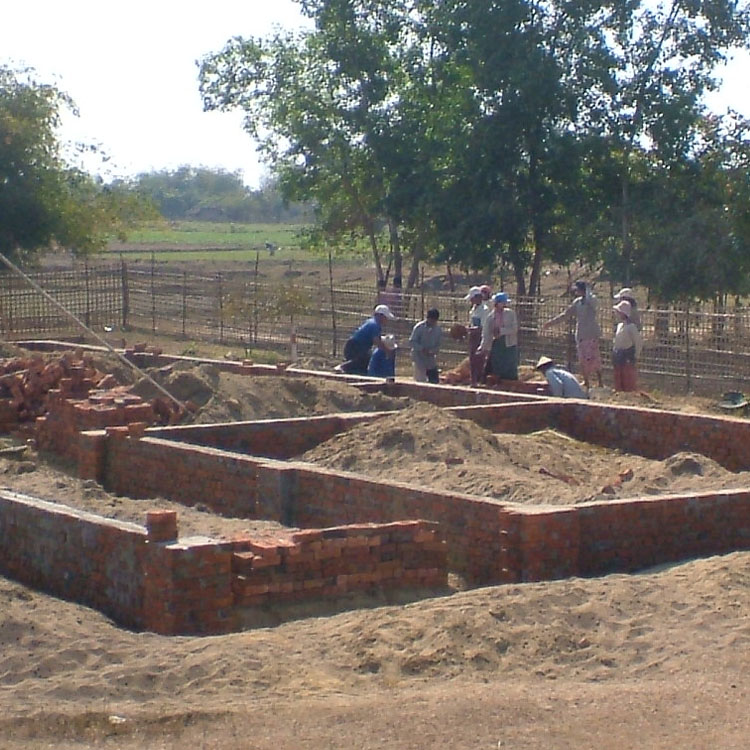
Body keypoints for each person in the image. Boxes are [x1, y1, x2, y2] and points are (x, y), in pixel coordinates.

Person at [542, 280, 603, 389]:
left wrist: (588, 291)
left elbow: (592, 303)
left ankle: (600, 381)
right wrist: (551, 323)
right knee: (582, 359)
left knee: (595, 358)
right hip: (581, 334)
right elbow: (566, 314)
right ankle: (587, 382)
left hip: (591, 334)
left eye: (577, 289)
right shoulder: (577, 302)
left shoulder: (592, 300)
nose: (575, 292)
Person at [337, 304, 396, 375]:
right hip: (355, 346)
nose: (386, 320)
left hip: (354, 345)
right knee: (364, 358)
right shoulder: (375, 325)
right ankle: (342, 367)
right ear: (381, 316)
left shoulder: (371, 322)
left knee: (364, 362)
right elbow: (376, 341)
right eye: (386, 317)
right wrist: (387, 351)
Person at [479, 292, 519, 380]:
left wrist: (501, 331)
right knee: (498, 363)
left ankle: (511, 382)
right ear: (497, 303)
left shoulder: (510, 314)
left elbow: (514, 329)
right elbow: (486, 332)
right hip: (497, 343)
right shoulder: (490, 317)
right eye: (502, 303)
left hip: (509, 342)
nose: (504, 305)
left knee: (510, 363)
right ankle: (499, 381)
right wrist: (483, 346)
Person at [612, 300, 643, 391]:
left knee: (627, 376)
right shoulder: (619, 326)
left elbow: (638, 342)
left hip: (627, 354)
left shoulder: (631, 327)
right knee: (618, 374)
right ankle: (619, 390)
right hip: (618, 354)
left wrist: (636, 355)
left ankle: (628, 392)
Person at [409, 308, 442, 383]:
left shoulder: (438, 330)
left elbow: (438, 345)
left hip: (430, 359)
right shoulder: (419, 327)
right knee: (421, 380)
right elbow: (412, 341)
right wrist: (421, 349)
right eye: (431, 320)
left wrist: (433, 351)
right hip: (418, 358)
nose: (432, 322)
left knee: (434, 380)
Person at [465, 286, 491, 386]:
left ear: (478, 297)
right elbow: (472, 323)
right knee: (472, 359)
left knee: (479, 359)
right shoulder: (473, 309)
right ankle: (473, 380)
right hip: (473, 336)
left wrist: (470, 329)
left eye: (472, 298)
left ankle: (479, 381)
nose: (471, 300)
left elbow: (483, 327)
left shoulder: (484, 310)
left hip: (480, 337)